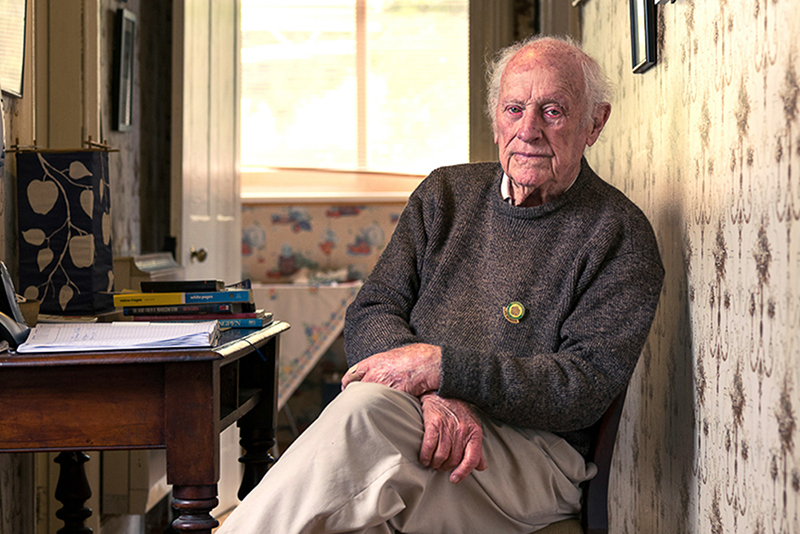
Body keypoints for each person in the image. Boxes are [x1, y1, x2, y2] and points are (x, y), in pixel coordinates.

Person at [218, 35, 664, 534]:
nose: (529, 130)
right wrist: (434, 394)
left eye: (553, 111)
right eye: (514, 109)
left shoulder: (619, 233)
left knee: (364, 418)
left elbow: (580, 388)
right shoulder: (444, 194)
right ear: (496, 118)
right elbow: (372, 309)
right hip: (418, 423)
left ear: (594, 123)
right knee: (358, 494)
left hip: (535, 455)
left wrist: (441, 369)